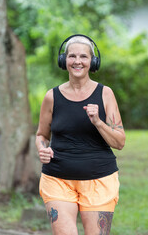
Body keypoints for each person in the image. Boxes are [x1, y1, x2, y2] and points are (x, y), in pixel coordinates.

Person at [36, 34, 126, 235]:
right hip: (57, 179)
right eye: (72, 56)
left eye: (84, 57)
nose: (77, 61)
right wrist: (42, 150)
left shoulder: (105, 94)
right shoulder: (51, 97)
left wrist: (98, 122)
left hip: (100, 180)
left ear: (93, 62)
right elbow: (41, 135)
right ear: (64, 60)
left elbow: (120, 142)